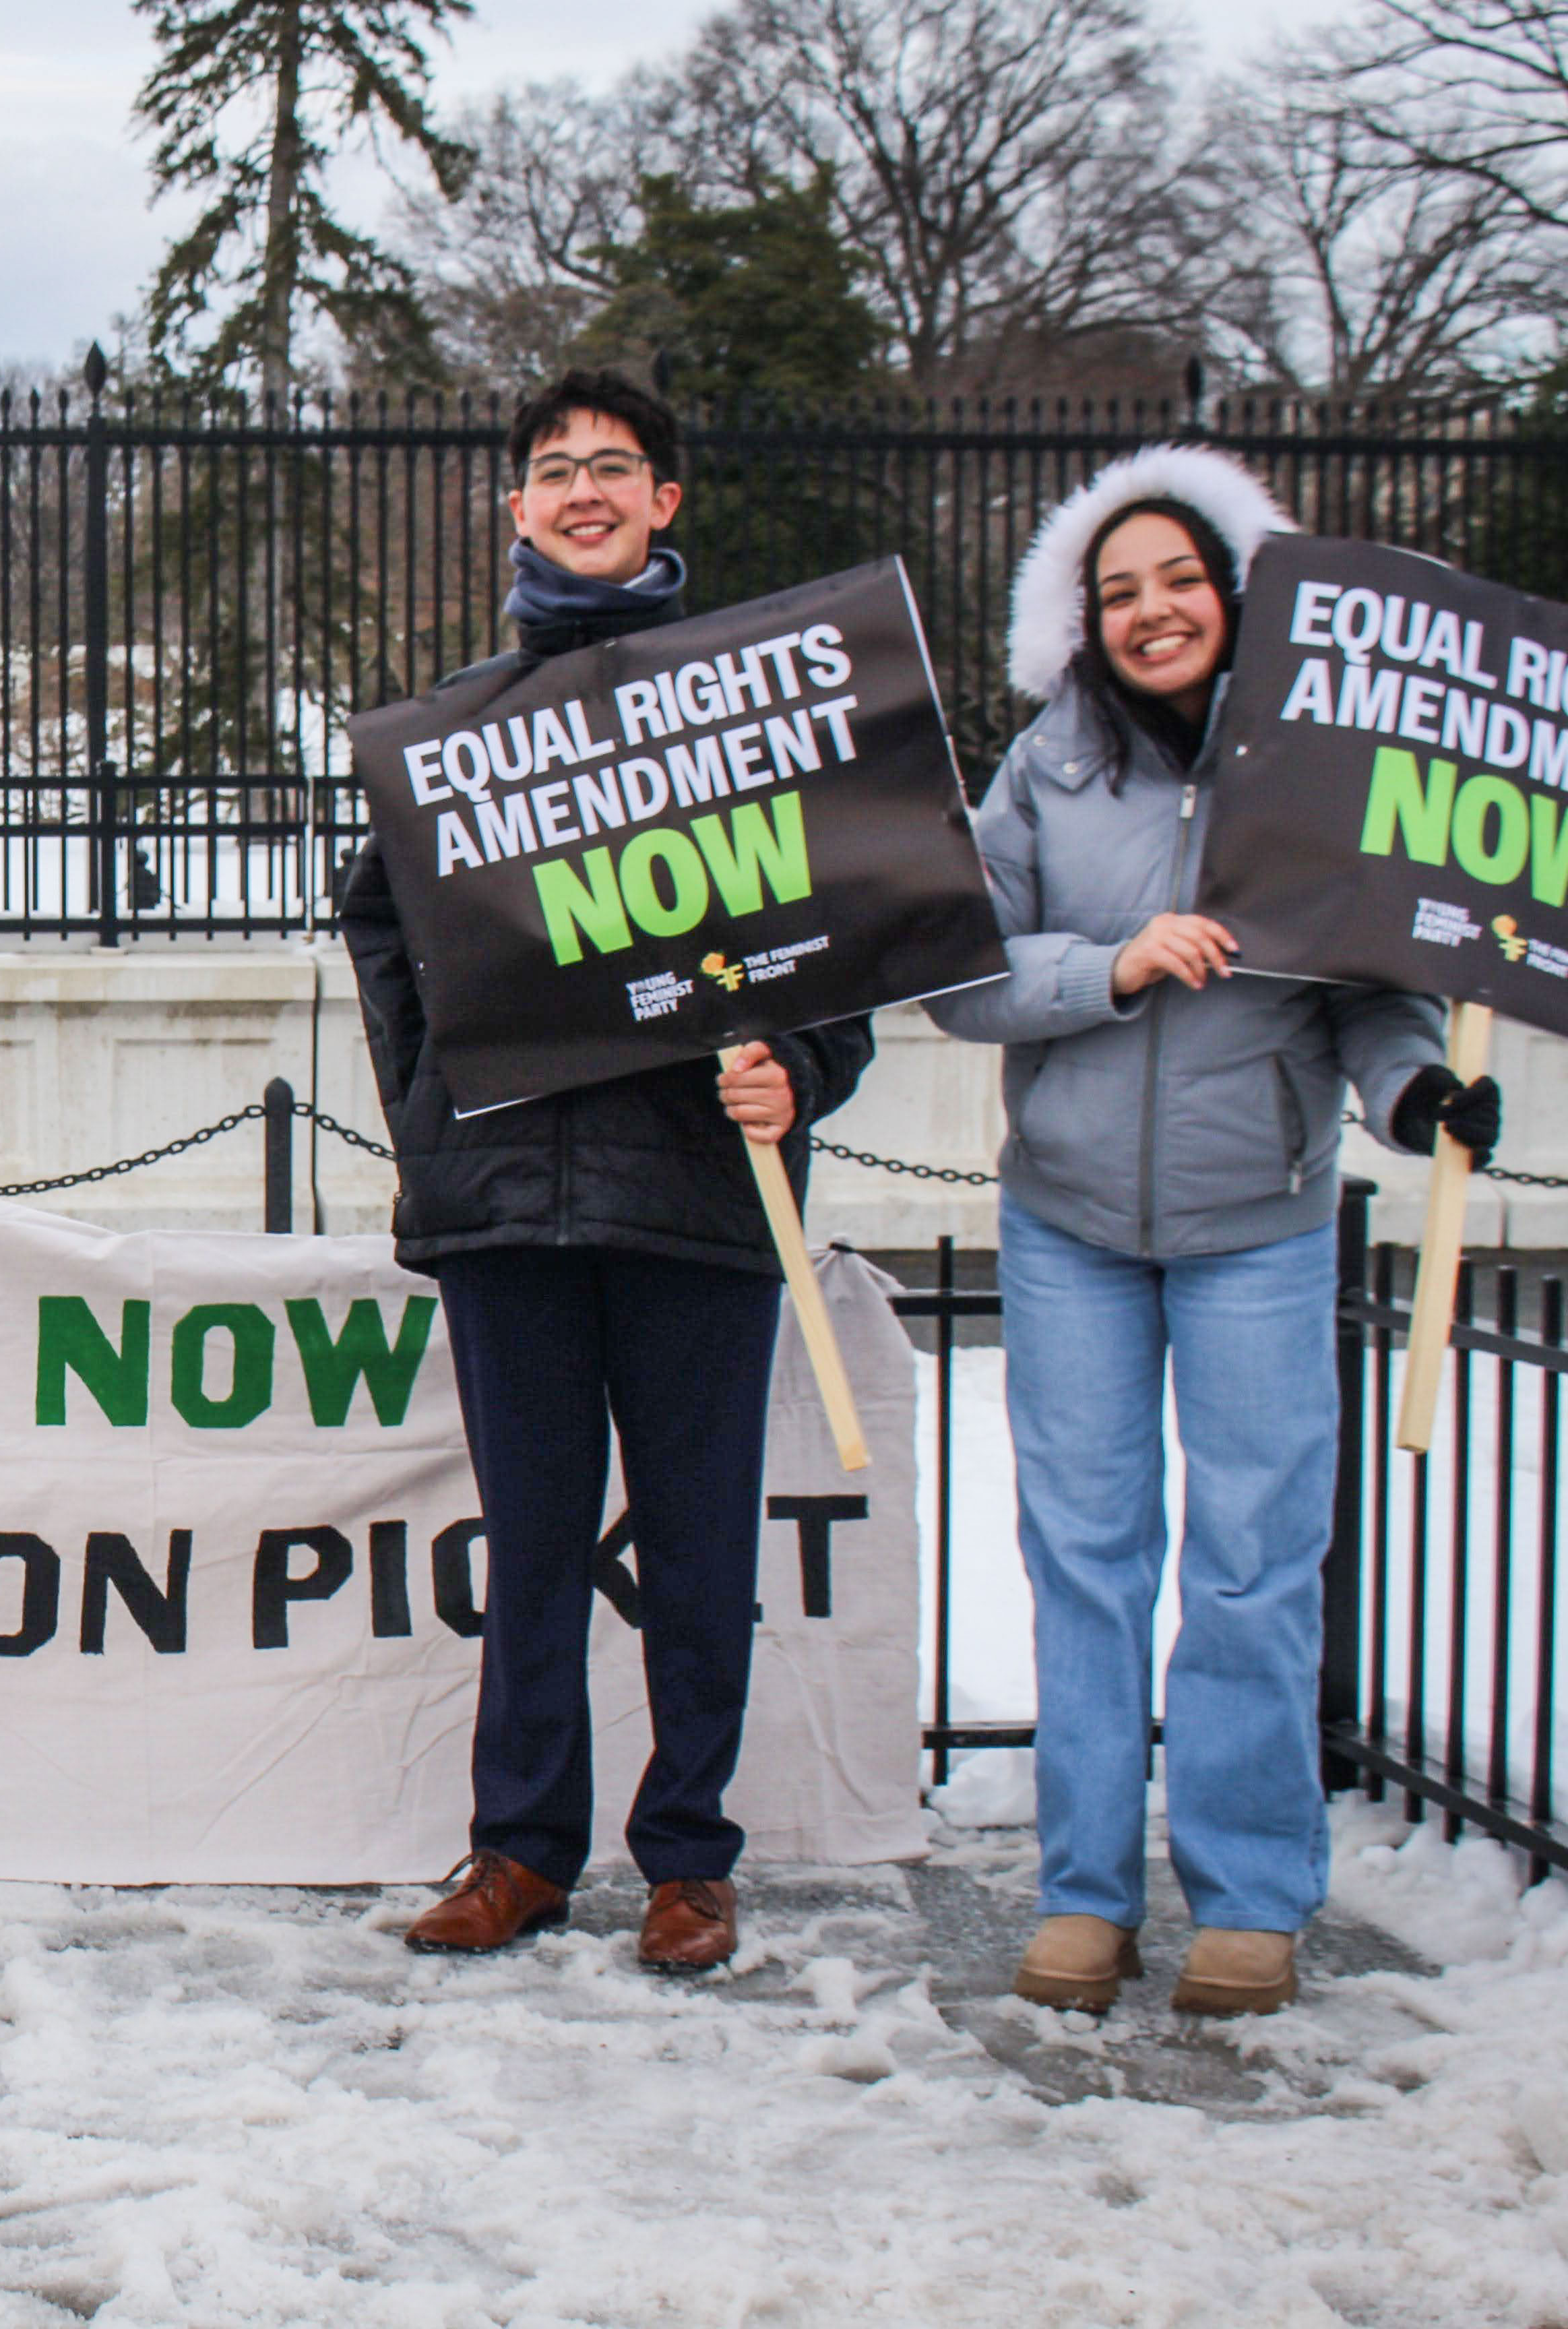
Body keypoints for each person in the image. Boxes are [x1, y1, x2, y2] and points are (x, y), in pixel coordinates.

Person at [926, 447, 1490, 2016]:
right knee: (1086, 1558)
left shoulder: (1315, 772)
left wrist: (1418, 1089)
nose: (1150, 609)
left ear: (1234, 594)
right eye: (1117, 591)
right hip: (1069, 1220)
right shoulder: (1043, 768)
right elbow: (957, 966)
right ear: (1079, 623)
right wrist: (1107, 964)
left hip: (1261, 1219)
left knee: (1252, 1557)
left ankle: (1248, 1890)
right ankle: (1085, 1890)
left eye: (1177, 580)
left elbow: (1371, 990)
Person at [337, 369, 872, 1975]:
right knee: (532, 1547)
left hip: (698, 1200)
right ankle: (520, 1847)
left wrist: (807, 1069)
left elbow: (832, 931)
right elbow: (382, 926)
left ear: (663, 501)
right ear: (513, 507)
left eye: (612, 468)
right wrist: (436, 1092)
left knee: (700, 1548)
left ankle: (687, 1856)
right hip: (509, 1206)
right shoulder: (454, 729)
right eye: (554, 469)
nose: (581, 491)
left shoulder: (744, 712)